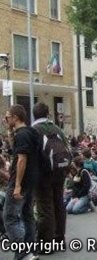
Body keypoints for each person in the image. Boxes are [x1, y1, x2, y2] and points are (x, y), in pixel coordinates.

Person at [3, 105, 40, 260]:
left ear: (15, 117)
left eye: (7, 117)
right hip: (31, 180)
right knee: (27, 215)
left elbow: (21, 160)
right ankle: (30, 251)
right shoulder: (32, 132)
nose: (5, 120)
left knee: (10, 217)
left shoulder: (22, 135)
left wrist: (17, 184)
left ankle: (23, 252)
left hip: (21, 181)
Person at [32, 102, 70, 253]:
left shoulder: (35, 130)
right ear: (48, 114)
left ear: (34, 115)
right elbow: (67, 149)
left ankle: (46, 245)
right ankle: (60, 240)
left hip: (43, 174)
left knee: (45, 207)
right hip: (60, 172)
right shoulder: (57, 129)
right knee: (59, 203)